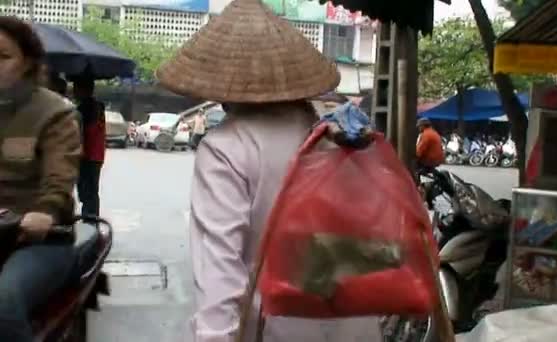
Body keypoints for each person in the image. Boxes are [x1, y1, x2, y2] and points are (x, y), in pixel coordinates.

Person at [156, 1, 382, 341]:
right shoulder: (339, 135)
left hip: (278, 328)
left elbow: (220, 272)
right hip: (356, 324)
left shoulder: (226, 148)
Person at [0, 16, 81, 342]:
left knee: (2, 303)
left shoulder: (56, 114)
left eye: (3, 57)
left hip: (39, 241)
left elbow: (59, 180)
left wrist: (45, 212)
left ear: (28, 63)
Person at [73, 76, 105, 217]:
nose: (73, 92)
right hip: (96, 155)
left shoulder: (85, 108)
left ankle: (90, 220)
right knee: (91, 192)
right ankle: (92, 219)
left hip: (88, 155)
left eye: (76, 89)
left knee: (88, 192)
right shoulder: (98, 106)